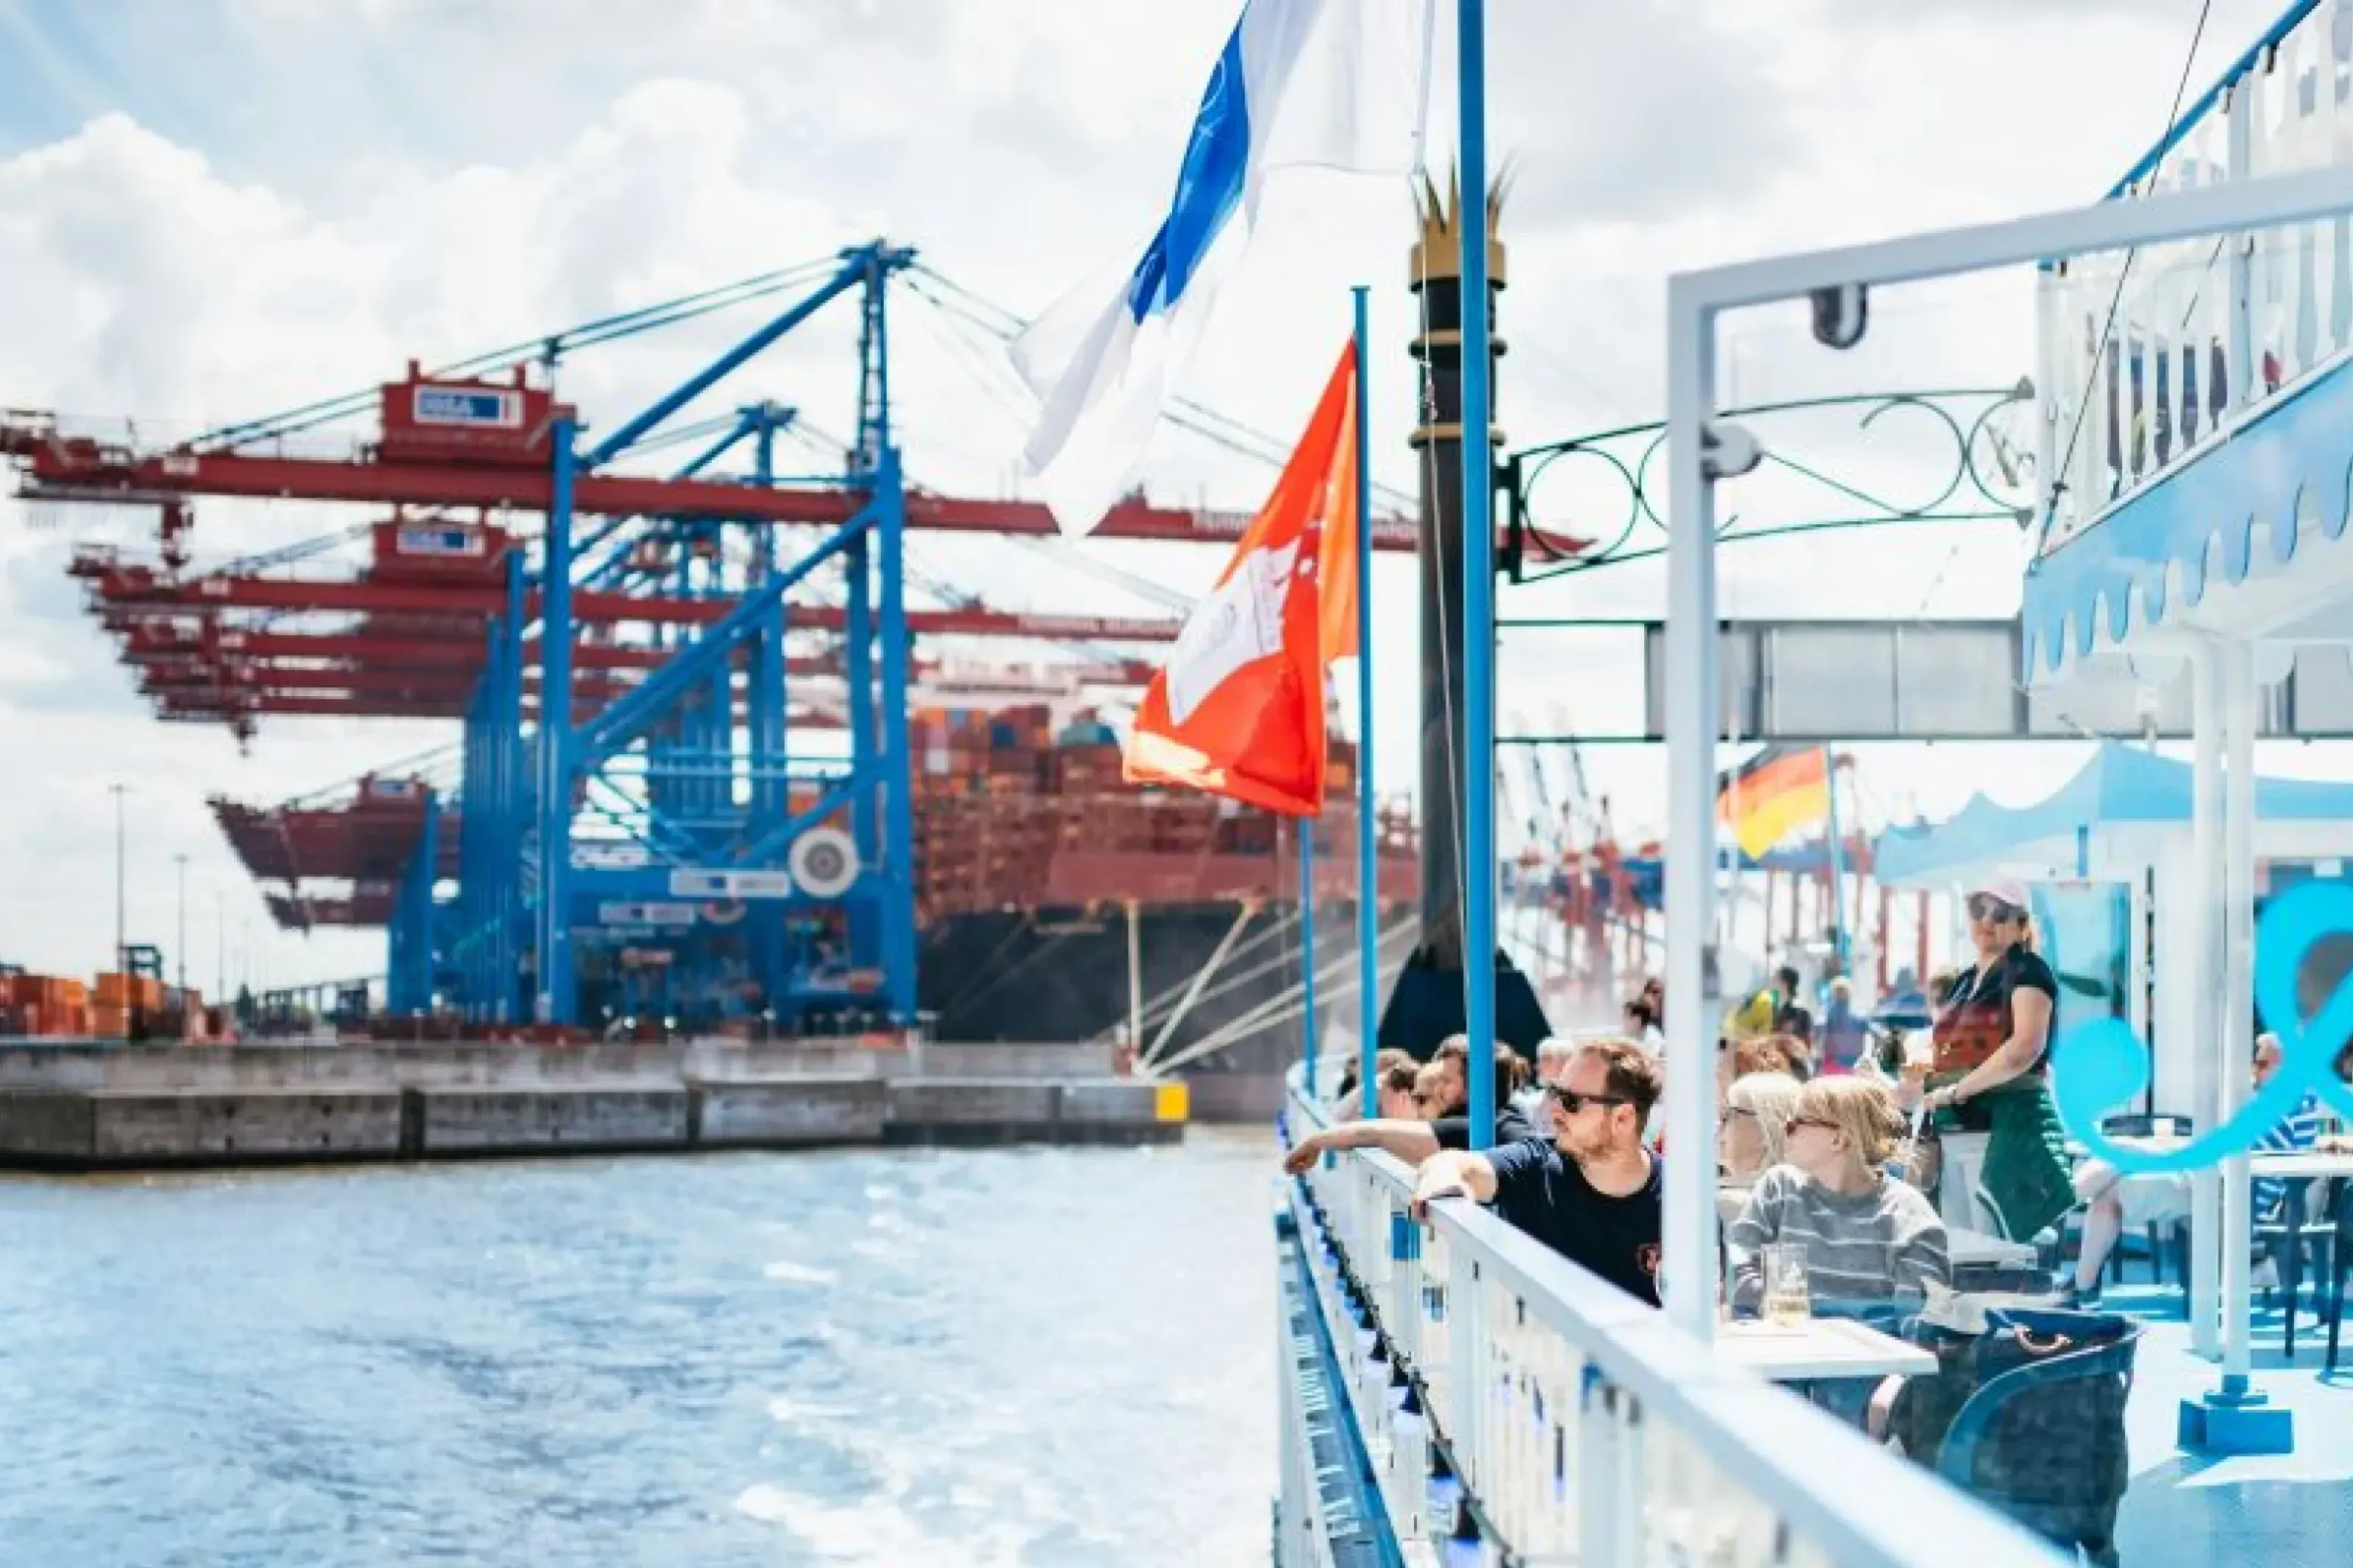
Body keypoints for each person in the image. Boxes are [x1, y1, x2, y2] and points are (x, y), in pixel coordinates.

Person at [1410, 1037, 1665, 1307]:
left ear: (1622, 1118)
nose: (1555, 1110)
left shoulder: (1684, 1204)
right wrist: (1446, 1184)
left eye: (1571, 1101)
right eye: (1555, 1092)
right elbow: (1453, 1163)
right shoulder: (1536, 1165)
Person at [1921, 878, 2074, 1245]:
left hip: (2001, 1125)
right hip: (1958, 1128)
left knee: (1991, 1249)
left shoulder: (2029, 971)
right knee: (1958, 1245)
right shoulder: (1966, 979)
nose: (1987, 921)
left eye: (2000, 913)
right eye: (1978, 910)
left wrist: (1957, 1090)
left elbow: (2023, 1049)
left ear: (2022, 924)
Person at [1727, 1076, 1952, 1312]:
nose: (1785, 1130)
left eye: (1797, 1123)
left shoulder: (1907, 1216)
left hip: (1871, 1348)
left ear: (1838, 1139)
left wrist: (1814, 1319)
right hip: (1787, 1343)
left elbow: (1917, 1323)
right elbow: (1737, 1268)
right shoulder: (1779, 1188)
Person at [1282, 1045, 1538, 1172]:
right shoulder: (1507, 1120)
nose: (1438, 1090)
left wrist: (1316, 1141)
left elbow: (1376, 1134)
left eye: (1447, 1081)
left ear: (1475, 1088)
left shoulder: (1482, 1128)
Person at [1818, 978, 1869, 1075]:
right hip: (1854, 1064)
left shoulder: (1829, 1015)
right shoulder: (1859, 1018)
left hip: (1834, 1064)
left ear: (1833, 994)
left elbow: (1824, 1042)